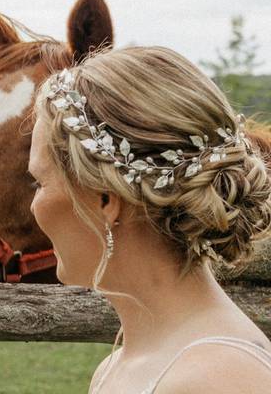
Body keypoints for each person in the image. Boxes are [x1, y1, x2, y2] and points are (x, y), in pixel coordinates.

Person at [28, 46, 271, 393]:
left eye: (39, 182)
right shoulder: (118, 366)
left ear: (105, 199)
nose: (33, 206)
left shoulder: (220, 379)